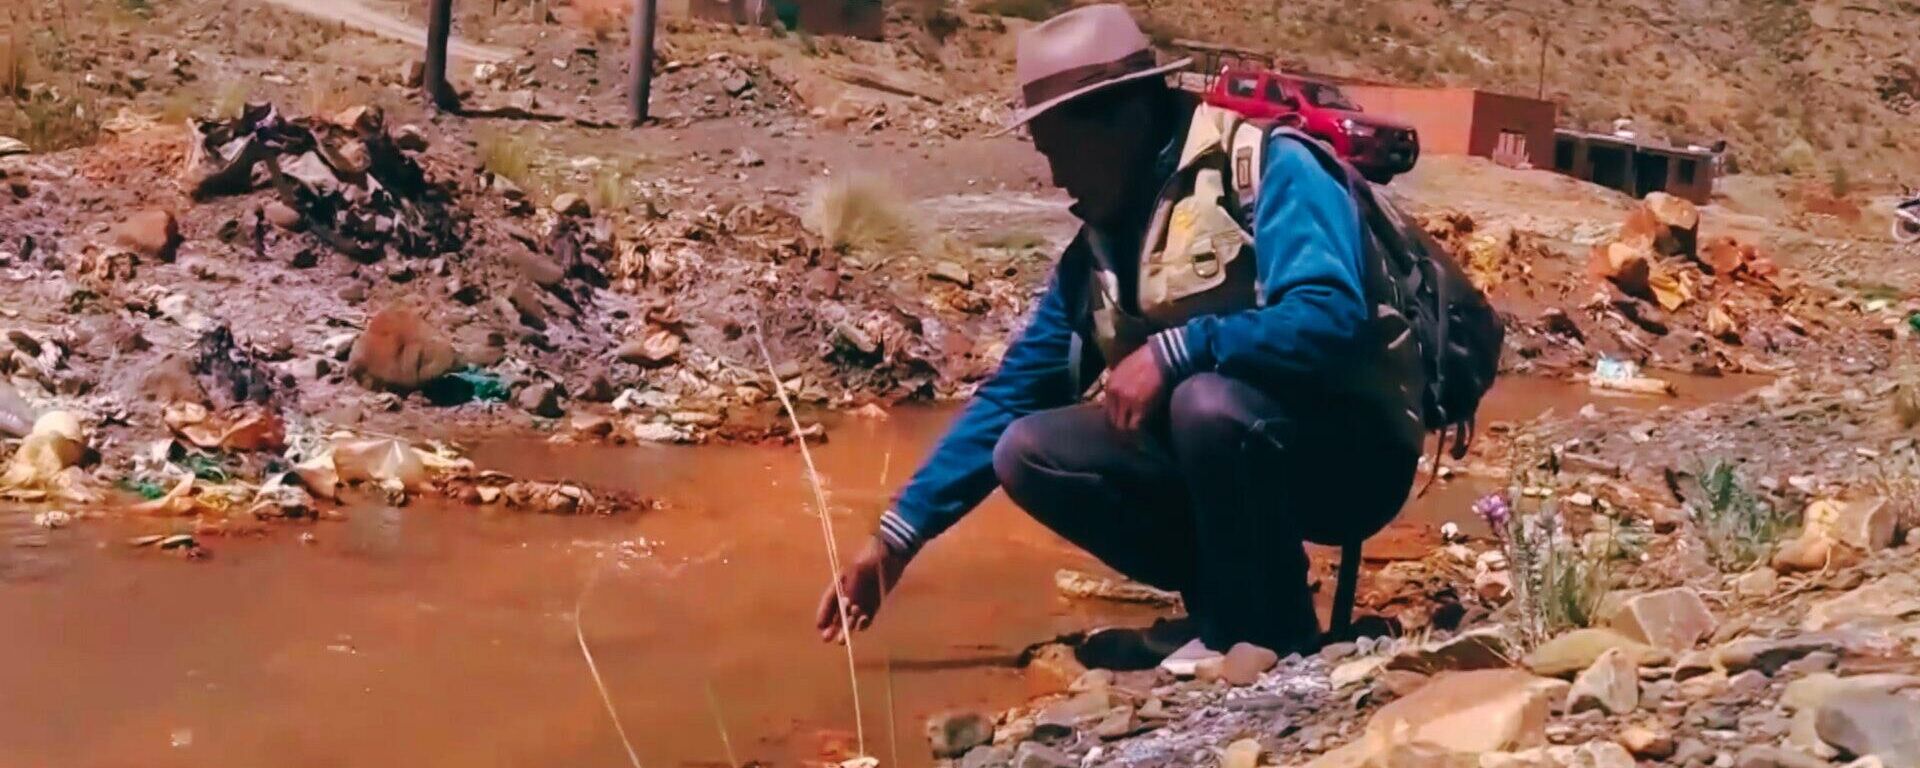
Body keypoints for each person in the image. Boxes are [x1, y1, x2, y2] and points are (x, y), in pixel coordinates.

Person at [812, 4, 1422, 667]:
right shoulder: (1097, 252)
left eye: (1061, 150)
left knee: (1203, 400)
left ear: (1123, 118)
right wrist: (896, 541)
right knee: (1027, 451)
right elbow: (1010, 397)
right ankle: (1225, 606)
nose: (1054, 176)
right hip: (1235, 448)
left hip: (1354, 456)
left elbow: (1330, 315)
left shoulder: (1270, 167)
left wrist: (1178, 349)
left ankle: (1271, 634)